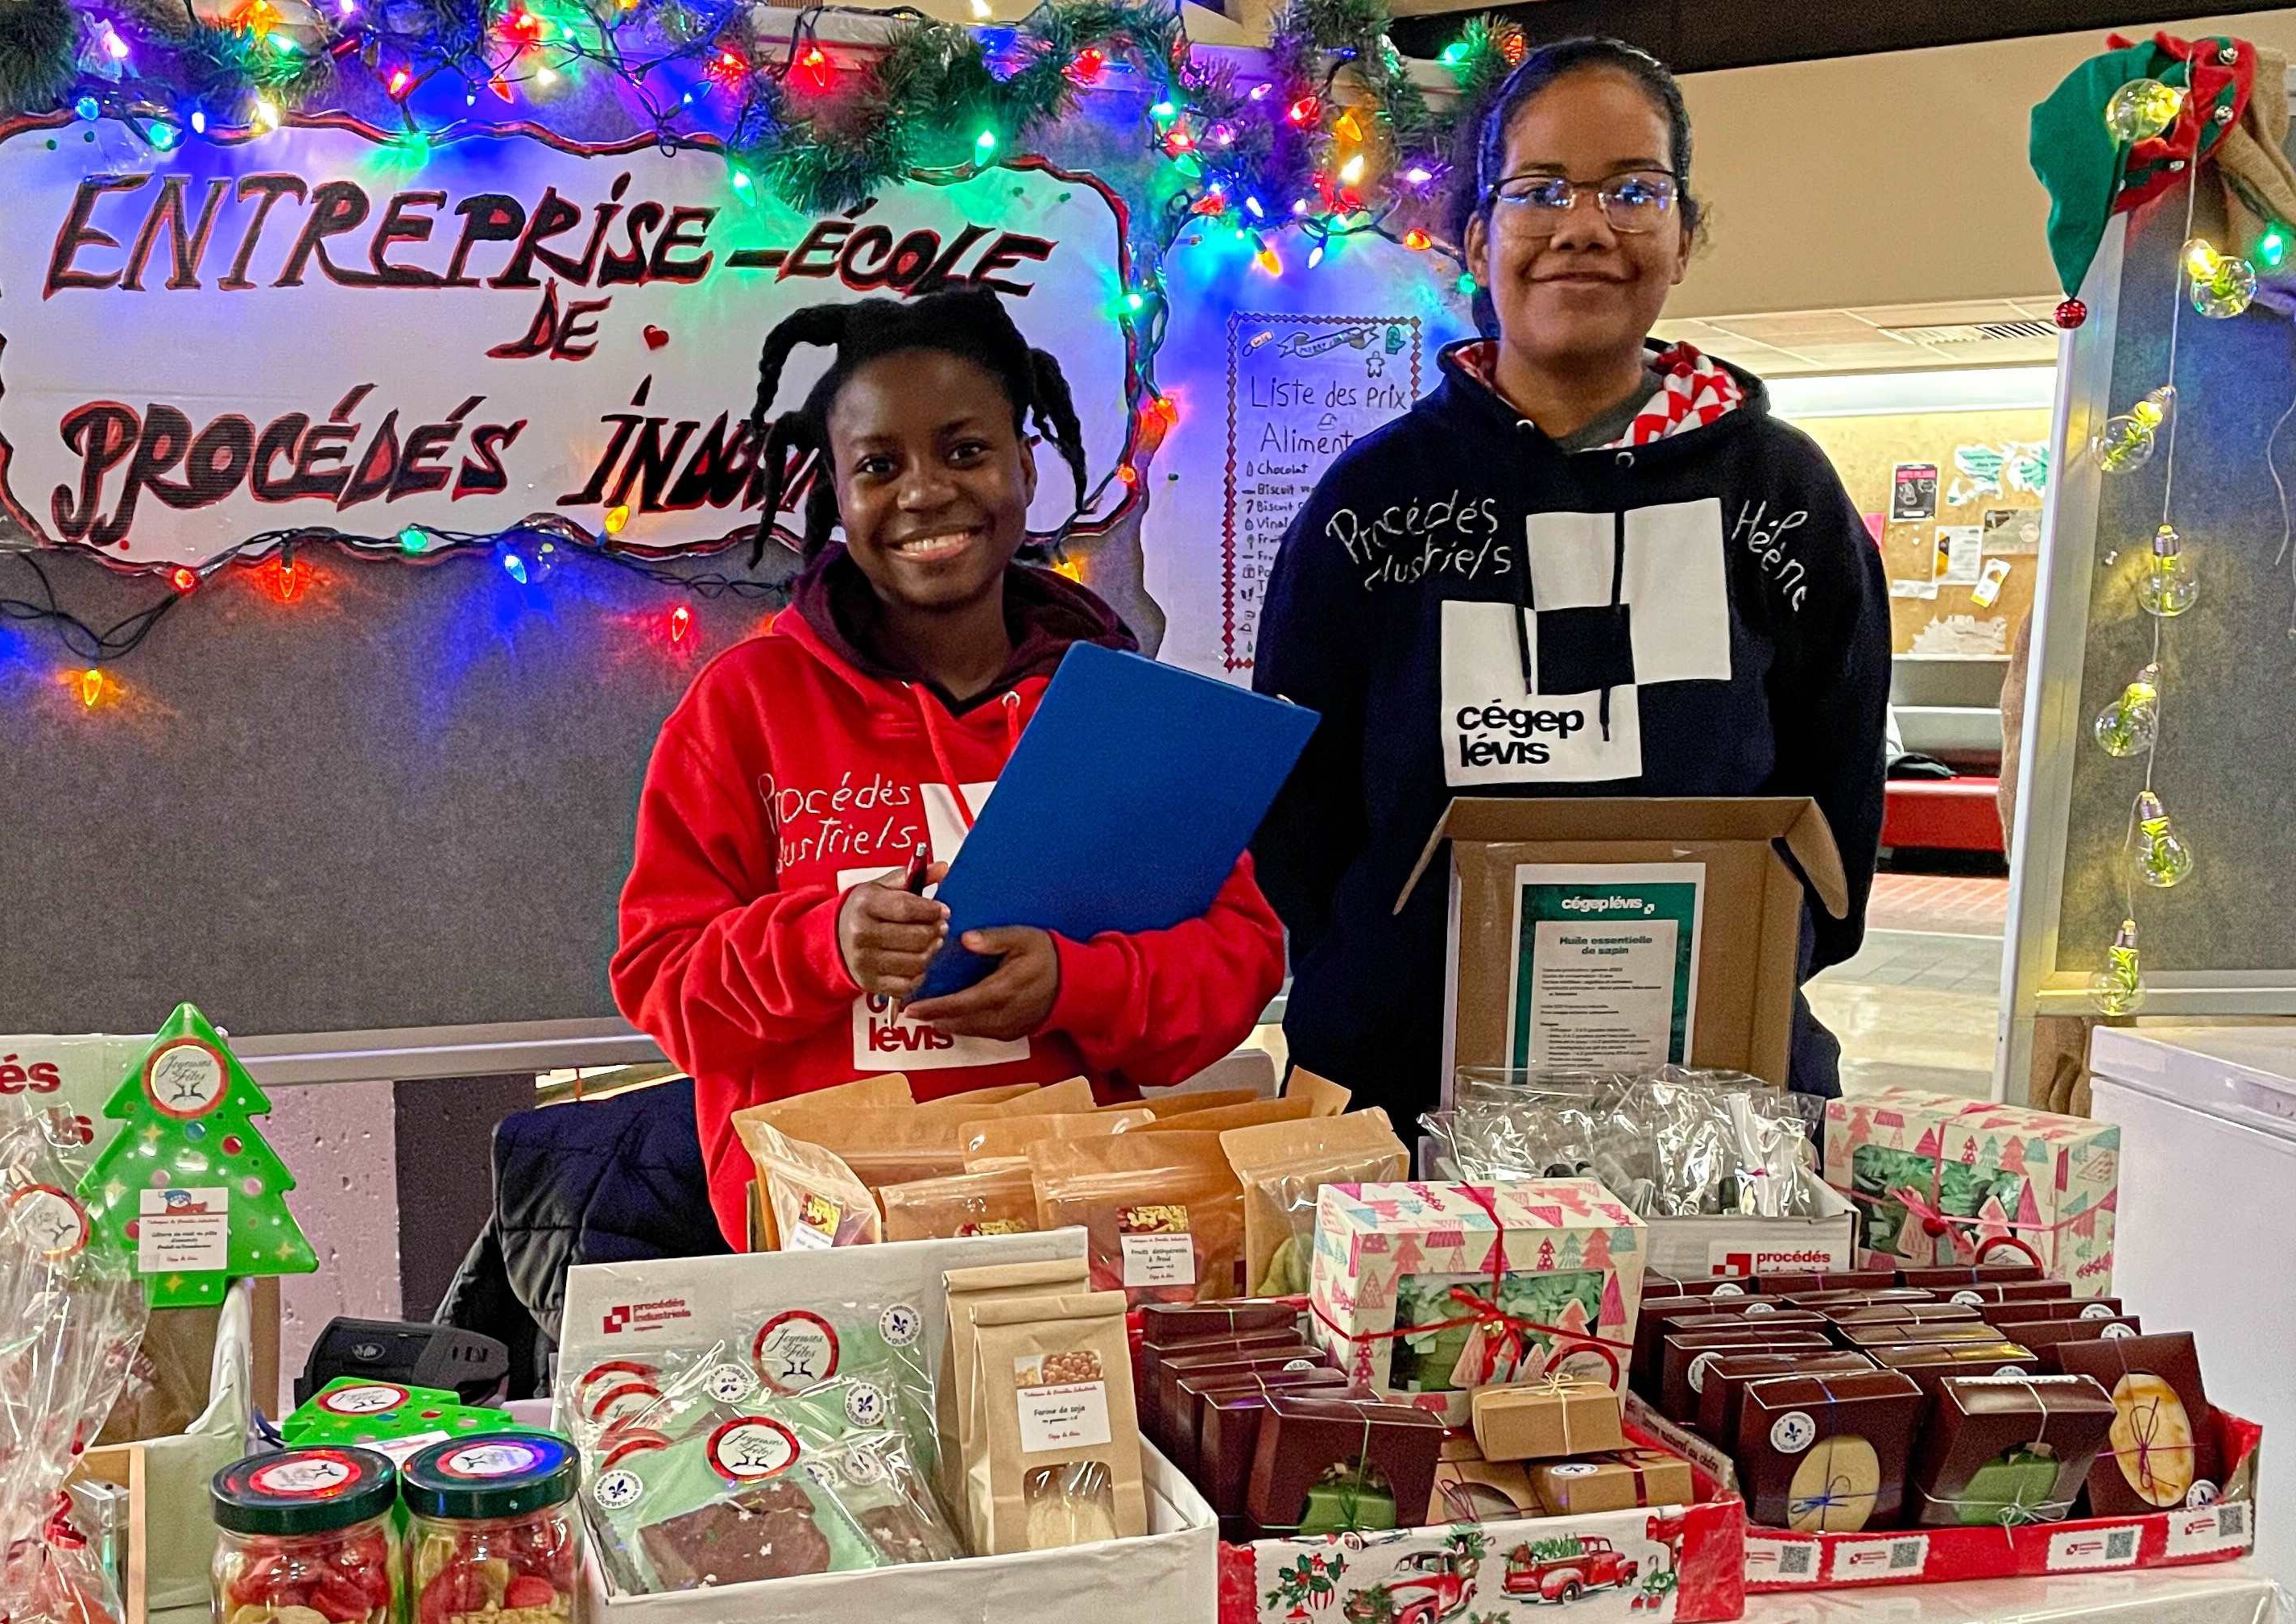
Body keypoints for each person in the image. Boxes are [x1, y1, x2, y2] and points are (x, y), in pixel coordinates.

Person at [1251, 37, 1889, 1141]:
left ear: (1685, 236)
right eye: (1539, 191)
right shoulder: (1374, 497)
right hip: (1405, 1101)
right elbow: (1297, 816)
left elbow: (1833, 824)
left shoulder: (1783, 494)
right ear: (1476, 239)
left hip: (1711, 1109)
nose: (1584, 228)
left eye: (1633, 190)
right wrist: (1391, 968)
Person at [614, 288, 1288, 1247]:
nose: (925, 491)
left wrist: (1075, 985)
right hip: (825, 1250)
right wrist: (824, 945)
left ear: (1025, 463)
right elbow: (663, 984)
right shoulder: (746, 706)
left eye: (966, 451)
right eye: (879, 465)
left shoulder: (1120, 713)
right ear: (837, 495)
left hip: (1073, 1245)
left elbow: (1238, 961)